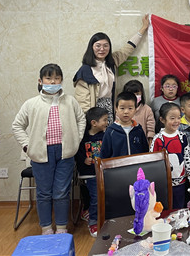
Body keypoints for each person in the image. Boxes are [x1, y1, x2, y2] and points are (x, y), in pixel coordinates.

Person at [12, 63, 86, 234]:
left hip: (65, 153)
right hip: (40, 154)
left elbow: (81, 119)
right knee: (44, 192)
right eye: (49, 78)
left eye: (57, 78)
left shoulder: (70, 101)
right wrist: (27, 145)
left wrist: (76, 139)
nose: (53, 82)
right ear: (40, 81)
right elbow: (17, 125)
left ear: (61, 80)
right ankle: (46, 227)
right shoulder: (31, 103)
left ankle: (61, 227)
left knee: (61, 191)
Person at [73, 15, 149, 123]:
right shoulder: (85, 70)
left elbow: (128, 48)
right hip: (93, 111)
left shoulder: (112, 62)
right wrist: (89, 120)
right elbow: (82, 101)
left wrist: (143, 28)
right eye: (98, 46)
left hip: (110, 108)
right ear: (92, 47)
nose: (102, 49)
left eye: (105, 45)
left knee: (109, 134)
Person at [150, 102, 190, 209]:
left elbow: (187, 158)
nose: (176, 121)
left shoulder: (182, 137)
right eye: (172, 118)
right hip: (163, 184)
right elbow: (152, 162)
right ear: (162, 120)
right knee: (164, 209)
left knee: (179, 208)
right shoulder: (158, 139)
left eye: (179, 117)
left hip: (180, 183)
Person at [74, 107, 109, 237]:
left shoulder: (106, 135)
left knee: (103, 197)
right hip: (90, 173)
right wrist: (84, 159)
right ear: (94, 123)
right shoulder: (83, 137)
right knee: (95, 198)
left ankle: (102, 217)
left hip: (103, 172)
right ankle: (93, 221)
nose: (107, 122)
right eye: (104, 120)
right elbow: (77, 152)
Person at [99, 92, 149, 158]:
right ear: (116, 109)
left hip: (137, 164)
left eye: (130, 108)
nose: (126, 112)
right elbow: (104, 155)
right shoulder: (111, 131)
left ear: (135, 109)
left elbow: (145, 152)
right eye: (122, 108)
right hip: (117, 164)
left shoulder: (138, 129)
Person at [122, 80, 155, 146]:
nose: (134, 96)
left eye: (137, 94)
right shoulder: (121, 110)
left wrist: (150, 143)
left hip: (142, 144)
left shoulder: (147, 109)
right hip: (125, 143)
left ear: (142, 94)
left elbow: (150, 130)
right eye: (132, 94)